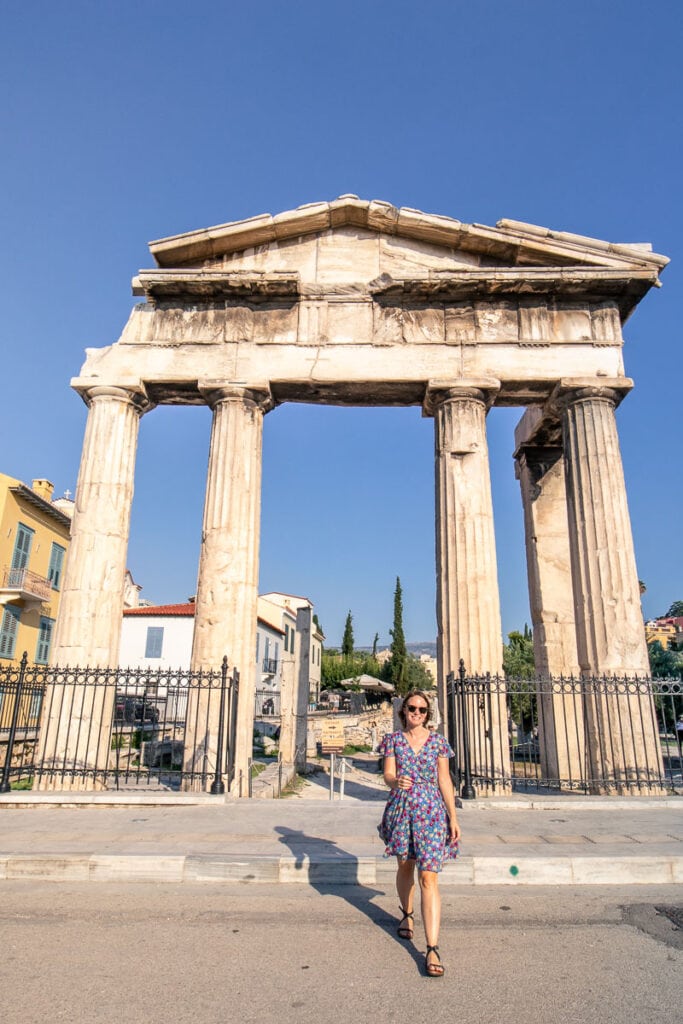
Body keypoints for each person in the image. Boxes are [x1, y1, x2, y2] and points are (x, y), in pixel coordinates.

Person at [378, 690, 460, 978]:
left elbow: (444, 778)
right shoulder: (393, 741)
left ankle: (433, 947)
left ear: (428, 713)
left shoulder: (438, 742)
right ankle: (407, 913)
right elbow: (388, 774)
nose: (416, 713)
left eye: (422, 709)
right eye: (412, 708)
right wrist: (395, 780)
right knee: (405, 866)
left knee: (429, 876)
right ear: (404, 711)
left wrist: (453, 816)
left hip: (431, 813)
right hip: (402, 809)